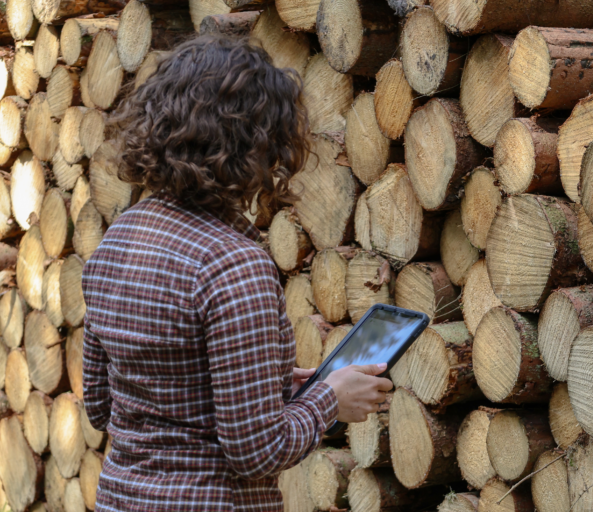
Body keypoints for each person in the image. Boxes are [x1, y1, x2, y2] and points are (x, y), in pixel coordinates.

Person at [80, 35, 393, 511]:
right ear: (258, 142)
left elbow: (103, 405)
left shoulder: (118, 239)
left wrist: (264, 384)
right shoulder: (232, 264)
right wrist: (330, 399)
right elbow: (255, 452)